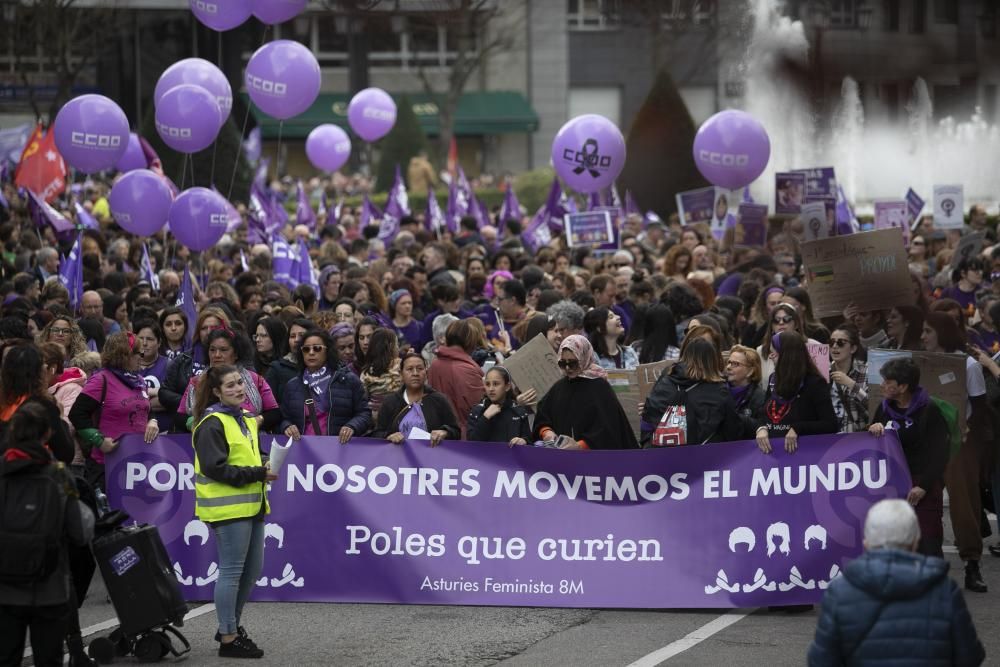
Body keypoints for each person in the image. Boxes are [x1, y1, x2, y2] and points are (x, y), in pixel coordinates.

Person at [807, 499, 985, 667]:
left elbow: (821, 660)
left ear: (867, 543)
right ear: (915, 542)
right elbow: (970, 657)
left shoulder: (840, 591)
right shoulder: (945, 590)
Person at [191, 365, 277, 659]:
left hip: (252, 504)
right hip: (227, 508)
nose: (239, 389)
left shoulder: (245, 419)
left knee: (252, 571)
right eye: (230, 386)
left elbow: (248, 455)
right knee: (231, 572)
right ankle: (228, 636)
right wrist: (257, 472)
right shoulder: (212, 422)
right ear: (216, 392)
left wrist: (264, 462)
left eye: (240, 383)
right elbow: (215, 468)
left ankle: (231, 626)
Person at [0, 402, 95, 667]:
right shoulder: (58, 475)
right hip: (50, 584)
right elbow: (80, 531)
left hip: (5, 585)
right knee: (49, 658)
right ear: (46, 435)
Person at [922, 311, 991, 592]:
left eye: (928, 331)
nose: (924, 336)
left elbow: (980, 405)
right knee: (926, 501)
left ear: (942, 332)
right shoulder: (921, 362)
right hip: (927, 441)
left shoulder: (970, 365)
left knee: (964, 503)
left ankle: (972, 562)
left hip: (960, 442)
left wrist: (966, 429)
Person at [868, 358, 950, 557]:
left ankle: (932, 583)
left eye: (888, 382)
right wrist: (873, 428)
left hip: (923, 487)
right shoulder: (884, 409)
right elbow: (872, 443)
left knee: (928, 541)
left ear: (903, 387)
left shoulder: (929, 411)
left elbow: (941, 453)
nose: (882, 385)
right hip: (893, 484)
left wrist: (923, 486)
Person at [69, 332, 160, 490]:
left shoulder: (138, 380)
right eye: (138, 353)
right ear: (123, 355)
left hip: (138, 464)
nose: (142, 356)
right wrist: (99, 440)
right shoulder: (101, 380)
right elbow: (77, 414)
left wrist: (153, 421)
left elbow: (144, 408)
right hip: (107, 464)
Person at [533, 335, 638, 450]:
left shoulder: (600, 387)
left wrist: (580, 446)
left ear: (584, 358)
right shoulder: (559, 387)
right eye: (563, 363)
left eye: (573, 363)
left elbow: (608, 429)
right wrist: (547, 432)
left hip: (595, 463)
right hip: (562, 462)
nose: (568, 368)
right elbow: (543, 415)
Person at [642, 337, 745, 446]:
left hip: (665, 455)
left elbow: (648, 417)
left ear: (685, 355)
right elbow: (733, 430)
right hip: (706, 457)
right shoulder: (720, 390)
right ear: (712, 360)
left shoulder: (665, 381)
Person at [178, 327, 280, 434]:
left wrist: (255, 421)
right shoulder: (196, 382)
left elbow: (274, 413)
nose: (216, 355)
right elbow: (180, 416)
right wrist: (196, 424)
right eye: (212, 350)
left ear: (236, 354)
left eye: (223, 350)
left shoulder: (255, 379)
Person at [279, 329, 371, 442]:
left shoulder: (348, 380)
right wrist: (287, 426)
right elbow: (284, 418)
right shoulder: (293, 385)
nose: (311, 353)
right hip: (303, 451)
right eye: (306, 349)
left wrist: (352, 426)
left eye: (317, 348)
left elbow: (364, 413)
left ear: (327, 351)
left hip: (339, 449)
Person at [755, 331, 838, 454]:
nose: (771, 357)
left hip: (804, 456)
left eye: (774, 353)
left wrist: (798, 428)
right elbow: (763, 413)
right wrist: (761, 428)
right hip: (773, 454)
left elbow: (830, 424)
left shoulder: (814, 383)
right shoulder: (774, 379)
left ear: (787, 355)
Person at [0, 344, 74, 465]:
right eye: (42, 363)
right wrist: (61, 419)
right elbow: (65, 453)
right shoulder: (43, 406)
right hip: (33, 476)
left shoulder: (4, 402)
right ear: (39, 372)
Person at [373, 353, 460, 446]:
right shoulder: (390, 402)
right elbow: (377, 434)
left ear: (426, 373)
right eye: (409, 369)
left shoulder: (439, 400)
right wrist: (389, 436)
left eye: (420, 369)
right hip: (397, 458)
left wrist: (445, 432)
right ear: (401, 374)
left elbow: (456, 431)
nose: (415, 373)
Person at [160, 307, 231, 416]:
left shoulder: (235, 357)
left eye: (214, 327)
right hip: (186, 424)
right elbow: (164, 393)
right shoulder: (183, 359)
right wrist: (190, 402)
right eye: (204, 328)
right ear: (198, 331)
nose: (208, 332)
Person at [427, 319, 486, 438]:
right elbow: (477, 409)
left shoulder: (435, 364)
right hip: (464, 437)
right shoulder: (467, 369)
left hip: (437, 434)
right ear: (470, 341)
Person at [39, 342, 88, 470]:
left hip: (69, 462)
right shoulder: (34, 387)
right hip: (40, 458)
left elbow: (68, 426)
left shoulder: (72, 389)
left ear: (52, 368)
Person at [466, 366, 533, 446]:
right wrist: (485, 418)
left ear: (507, 386)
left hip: (510, 458)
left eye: (496, 384)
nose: (491, 389)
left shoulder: (519, 411)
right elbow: (472, 443)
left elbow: (529, 440)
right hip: (484, 458)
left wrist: (523, 441)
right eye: (487, 384)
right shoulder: (477, 411)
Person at [828, 324, 869, 433]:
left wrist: (851, 385)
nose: (835, 346)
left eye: (841, 343)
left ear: (853, 348)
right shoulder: (822, 372)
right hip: (829, 438)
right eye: (831, 342)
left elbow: (873, 409)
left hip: (856, 439)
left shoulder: (866, 371)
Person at [360, 328, 402, 419]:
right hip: (399, 416)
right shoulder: (401, 368)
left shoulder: (366, 373)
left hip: (375, 419)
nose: (398, 348)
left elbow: (363, 400)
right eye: (397, 344)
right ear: (391, 346)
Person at [726, 344, 766, 422]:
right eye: (729, 362)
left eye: (735, 364)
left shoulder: (760, 398)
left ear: (750, 371)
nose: (728, 367)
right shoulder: (719, 390)